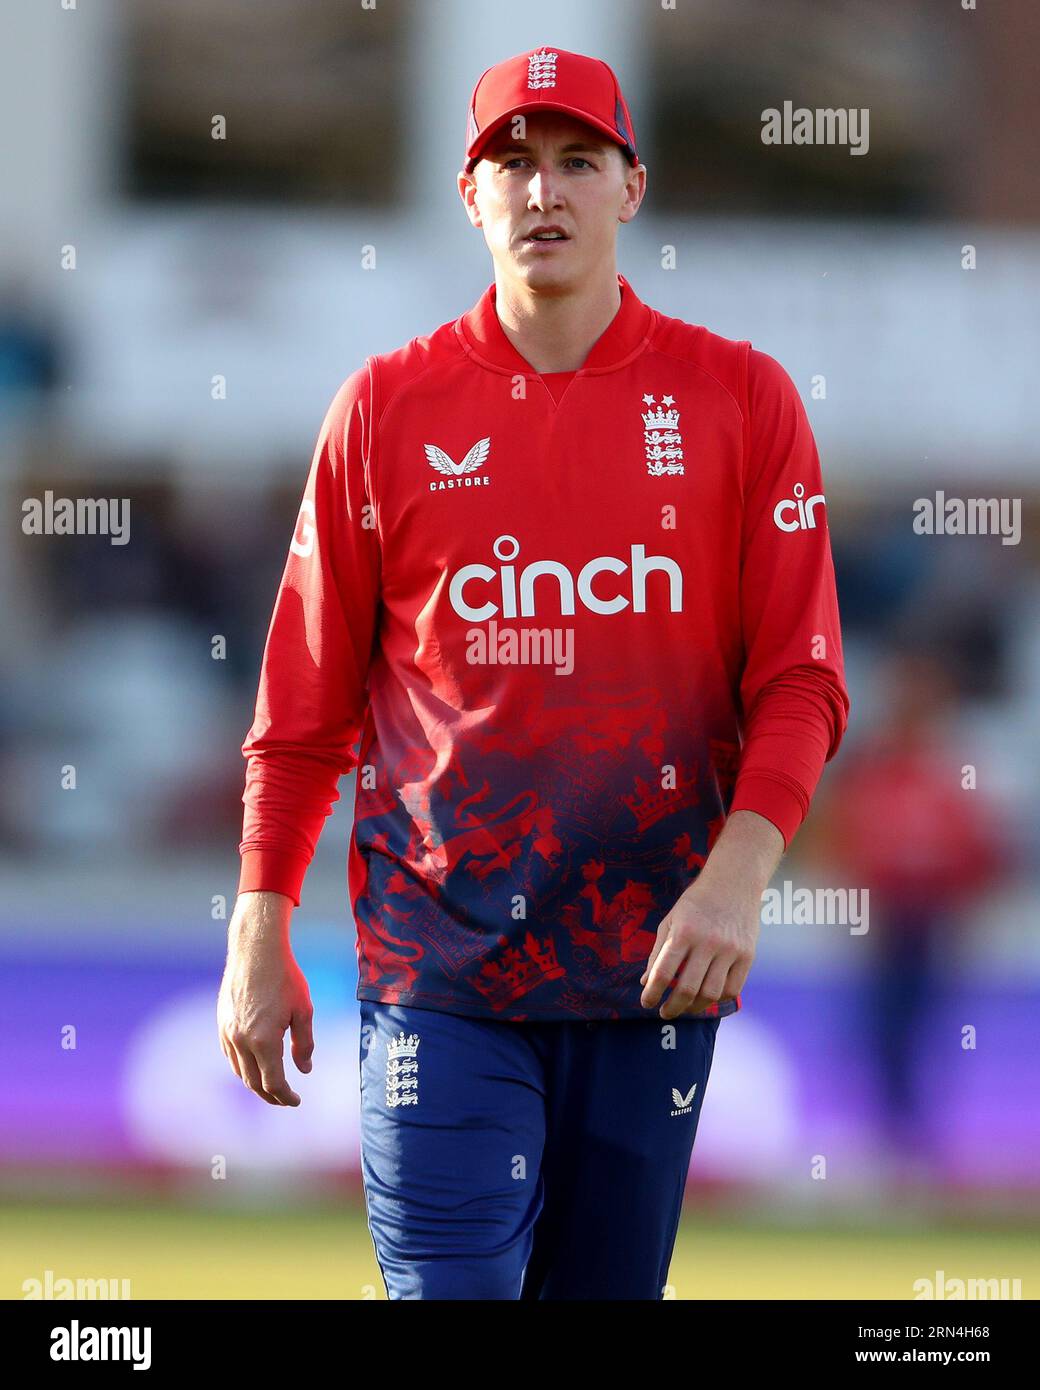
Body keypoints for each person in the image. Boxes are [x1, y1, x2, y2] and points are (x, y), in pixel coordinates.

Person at [217, 45, 850, 1300]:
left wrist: (736, 879)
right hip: (434, 964)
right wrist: (259, 918)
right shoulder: (384, 408)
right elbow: (302, 709)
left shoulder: (740, 399)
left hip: (656, 960)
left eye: (576, 160)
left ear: (632, 188)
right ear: (470, 195)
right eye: (510, 162)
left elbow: (802, 681)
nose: (541, 190)